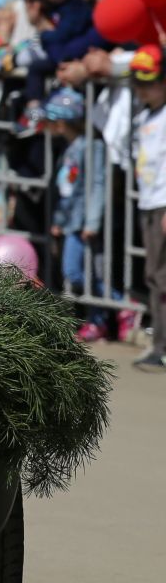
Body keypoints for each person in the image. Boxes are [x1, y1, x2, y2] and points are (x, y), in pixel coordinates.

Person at [45, 88, 113, 342]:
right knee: (75, 273)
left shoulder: (92, 146)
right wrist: (59, 222)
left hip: (84, 222)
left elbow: (96, 183)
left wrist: (92, 221)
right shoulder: (71, 147)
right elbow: (67, 189)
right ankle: (99, 317)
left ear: (62, 122)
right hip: (71, 221)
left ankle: (115, 307)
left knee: (77, 271)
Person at [129, 46, 166, 372]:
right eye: (137, 82)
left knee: (161, 276)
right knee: (154, 275)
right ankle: (160, 345)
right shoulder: (144, 116)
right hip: (150, 202)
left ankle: (162, 346)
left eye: (149, 82)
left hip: (163, 205)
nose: (142, 88)